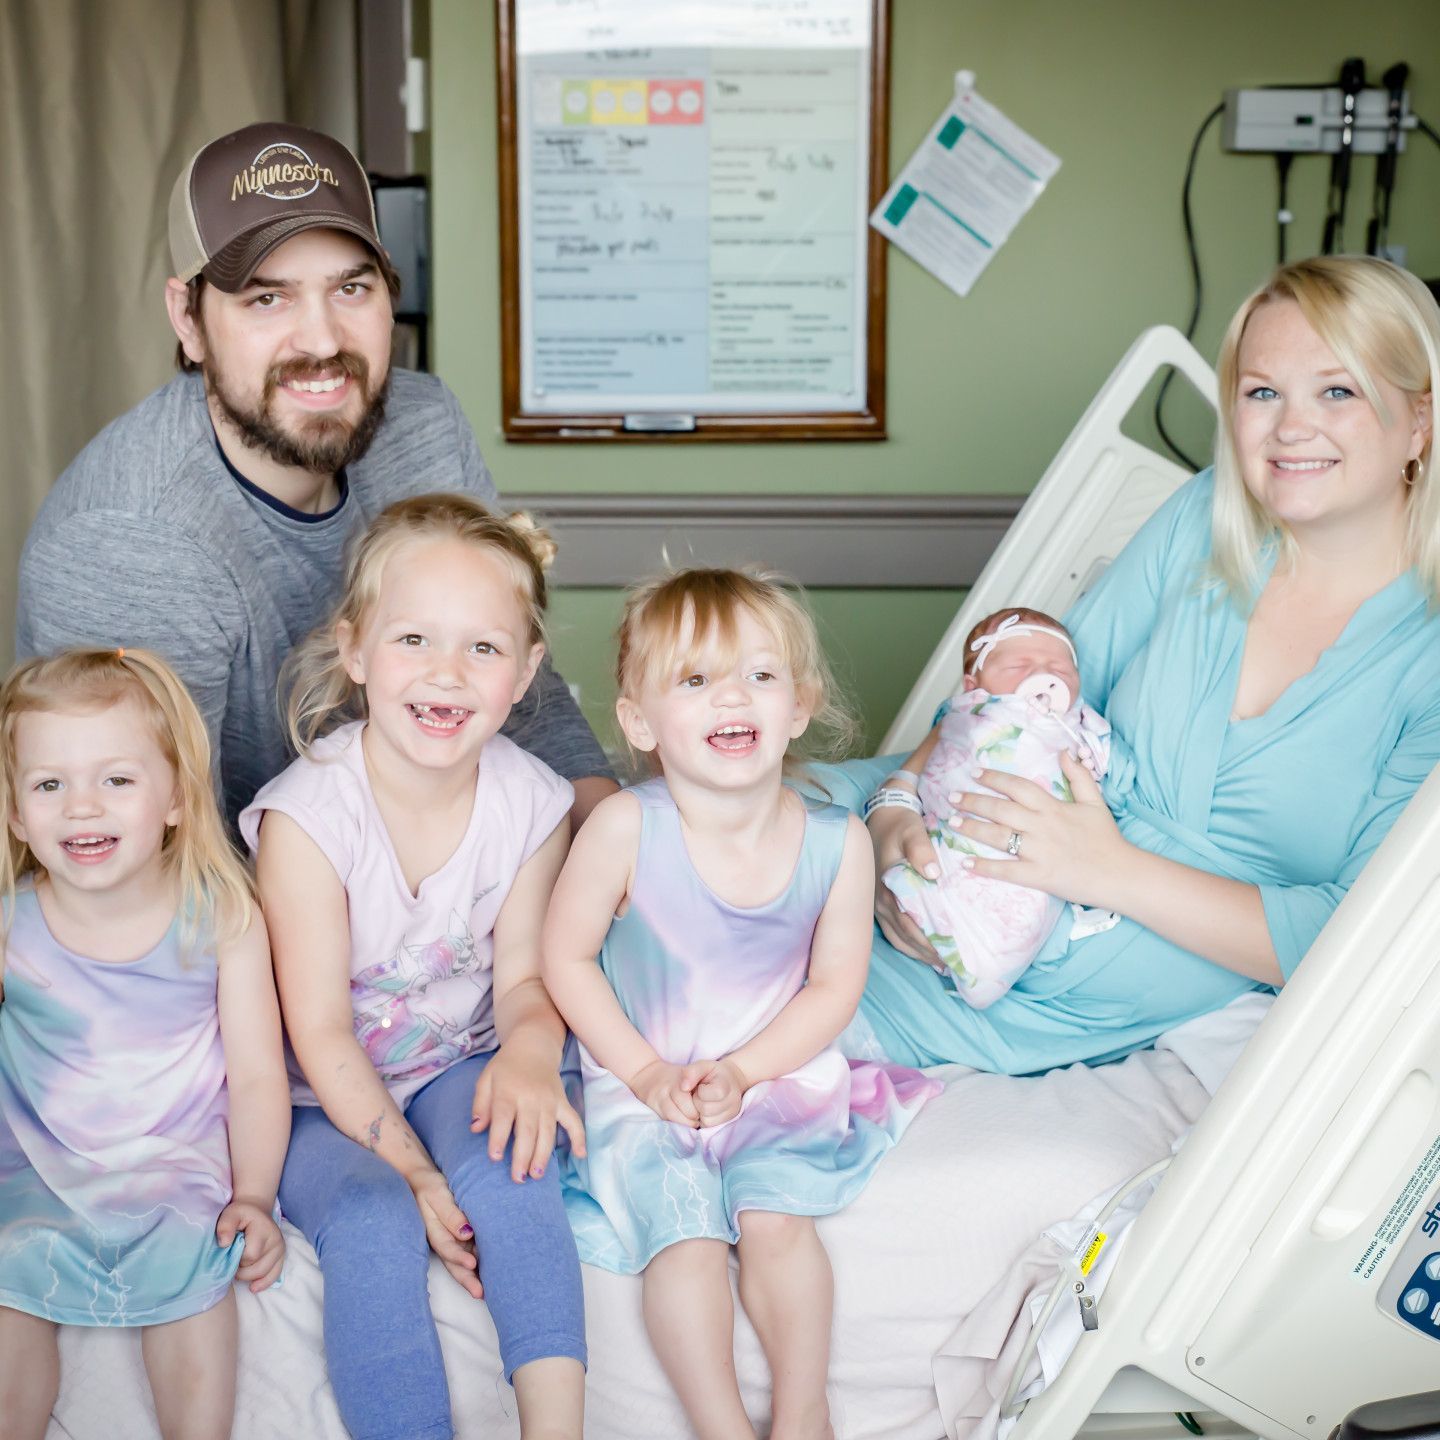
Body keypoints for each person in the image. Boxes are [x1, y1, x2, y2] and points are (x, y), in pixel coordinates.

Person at [853, 254, 1439, 1072]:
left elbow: (1360, 939)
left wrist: (1107, 870)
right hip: (983, 815)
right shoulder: (1205, 514)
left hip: (1101, 943)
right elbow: (1032, 691)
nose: (1290, 427)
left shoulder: (1428, 659)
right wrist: (891, 814)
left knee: (723, 1011)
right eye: (1262, 391)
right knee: (714, 831)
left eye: (1337, 390)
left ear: (1420, 421)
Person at [15, 121, 615, 830]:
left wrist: (620, 856)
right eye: (267, 298)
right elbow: (160, 868)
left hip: (439, 891)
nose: (323, 341)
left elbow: (515, 695)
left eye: (351, 289)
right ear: (188, 317)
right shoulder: (130, 540)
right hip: (241, 919)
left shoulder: (423, 428)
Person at [544, 568, 939, 1440]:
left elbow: (835, 986)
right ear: (640, 722)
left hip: (773, 1073)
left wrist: (748, 1069)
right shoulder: (624, 829)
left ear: (799, 705)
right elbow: (565, 958)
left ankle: (804, 1411)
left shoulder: (835, 843)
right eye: (695, 679)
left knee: (775, 1215)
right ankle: (721, 1427)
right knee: (680, 1239)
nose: (732, 695)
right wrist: (646, 1072)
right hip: (646, 1081)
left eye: (759, 675)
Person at [241, 494, 587, 1440]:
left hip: (451, 1064)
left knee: (517, 1172)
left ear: (524, 673)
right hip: (317, 1093)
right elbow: (314, 1032)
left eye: (484, 648)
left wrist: (526, 1050)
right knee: (370, 1220)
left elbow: (522, 977)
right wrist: (413, 1174)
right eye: (414, 641)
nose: (448, 673)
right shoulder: (308, 818)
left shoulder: (531, 802)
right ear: (355, 651)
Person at [0, 648, 288, 1440]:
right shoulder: (9, 923)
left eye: (116, 780)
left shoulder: (221, 915)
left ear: (173, 798)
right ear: (19, 814)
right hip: (33, 1163)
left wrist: (255, 1196)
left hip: (168, 1161)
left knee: (191, 1252)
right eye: (49, 784)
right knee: (7, 1268)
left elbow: (259, 1076)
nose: (81, 808)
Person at [877, 606, 1112, 1007]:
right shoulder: (968, 712)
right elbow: (935, 762)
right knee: (934, 864)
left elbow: (1101, 765)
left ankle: (979, 956)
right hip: (960, 819)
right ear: (974, 685)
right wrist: (891, 805)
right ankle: (932, 913)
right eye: (1020, 664)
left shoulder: (1079, 726)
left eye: (1061, 667)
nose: (1044, 674)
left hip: (1038, 846)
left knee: (1018, 903)